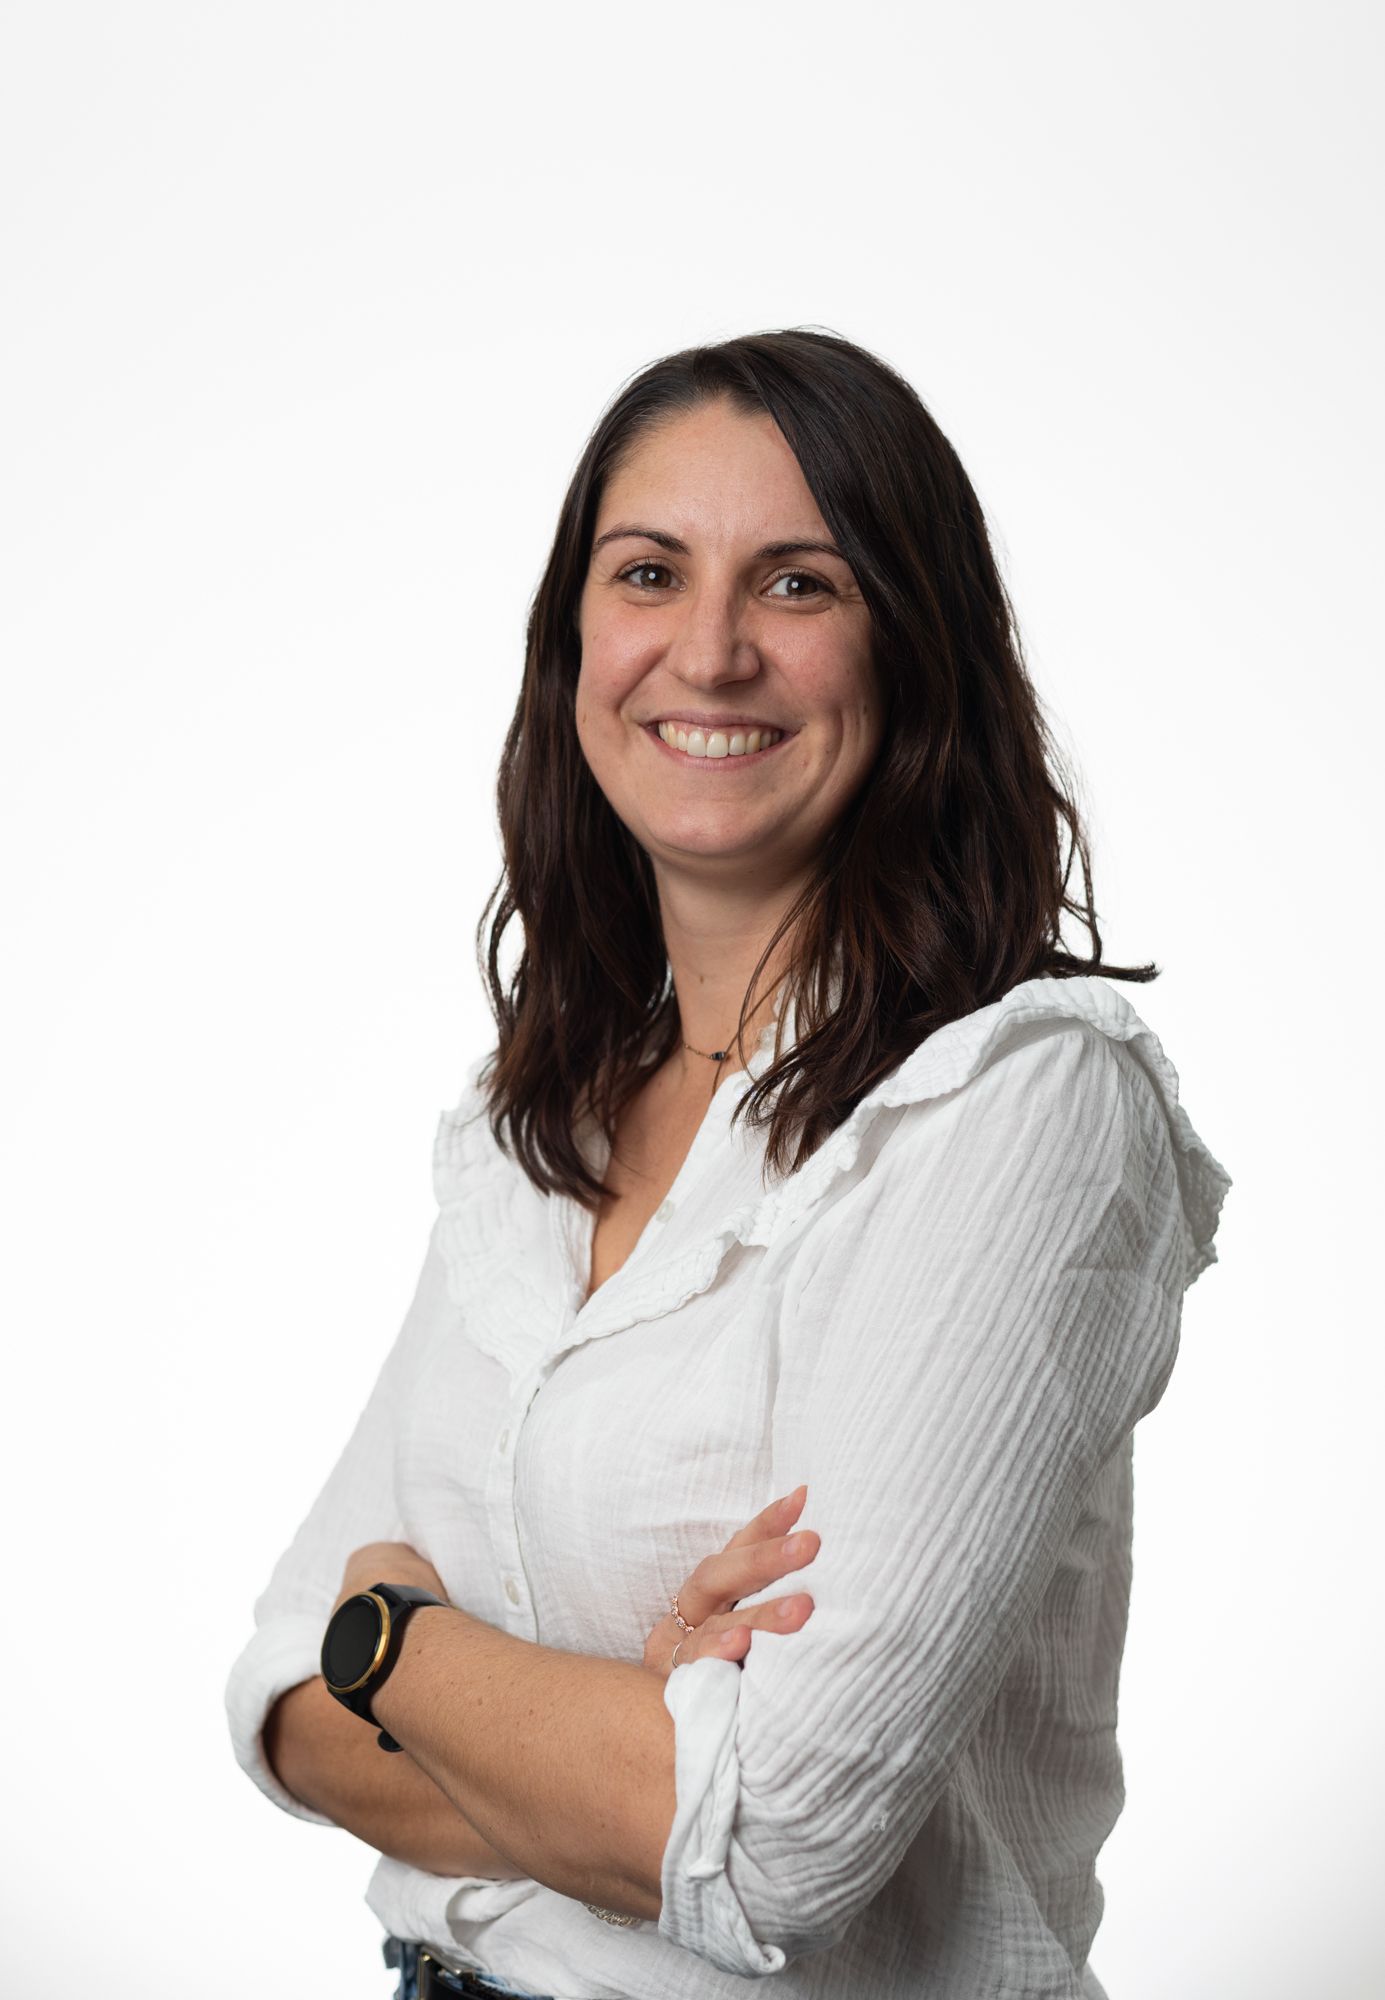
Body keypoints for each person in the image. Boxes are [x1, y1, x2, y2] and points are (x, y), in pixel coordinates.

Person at [225, 328, 1232, 2000]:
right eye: (647, 574)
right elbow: (272, 1696)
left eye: (795, 584)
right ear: (571, 646)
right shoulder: (532, 1117)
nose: (707, 652)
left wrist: (397, 1641)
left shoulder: (1020, 1105)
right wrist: (616, 1727)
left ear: (915, 650)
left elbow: (771, 1847)